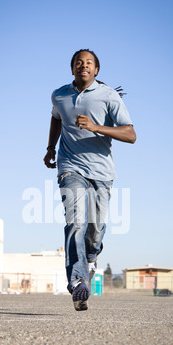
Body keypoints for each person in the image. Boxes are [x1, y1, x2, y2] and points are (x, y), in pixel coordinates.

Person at [44, 49, 136, 311]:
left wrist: (96, 127)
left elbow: (130, 134)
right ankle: (78, 281)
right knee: (75, 222)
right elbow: (56, 117)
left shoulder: (109, 96)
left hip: (102, 172)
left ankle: (92, 258)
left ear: (96, 70)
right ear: (72, 68)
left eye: (89, 63)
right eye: (78, 62)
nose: (83, 66)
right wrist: (51, 148)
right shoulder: (60, 95)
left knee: (94, 231)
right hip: (70, 166)